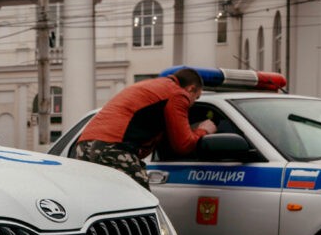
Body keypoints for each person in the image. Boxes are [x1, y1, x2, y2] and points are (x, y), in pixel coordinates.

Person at [73, 67, 217, 189]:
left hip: (84, 145)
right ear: (191, 89)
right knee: (140, 205)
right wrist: (203, 130)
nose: (192, 103)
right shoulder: (178, 94)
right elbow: (183, 144)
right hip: (113, 147)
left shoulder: (154, 86)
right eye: (196, 98)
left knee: (102, 203)